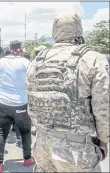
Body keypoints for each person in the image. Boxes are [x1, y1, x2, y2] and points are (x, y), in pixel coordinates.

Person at [26, 12, 109, 172]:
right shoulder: (93, 59)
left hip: (42, 145)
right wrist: (104, 141)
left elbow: (32, 103)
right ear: (79, 29)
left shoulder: (36, 62)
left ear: (54, 31)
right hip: (76, 152)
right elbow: (104, 108)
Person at [0, 40, 34, 172]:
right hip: (20, 102)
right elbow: (31, 80)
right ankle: (27, 159)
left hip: (3, 102)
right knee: (25, 131)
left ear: (10, 48)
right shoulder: (25, 62)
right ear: (21, 48)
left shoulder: (1, 61)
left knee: (1, 132)